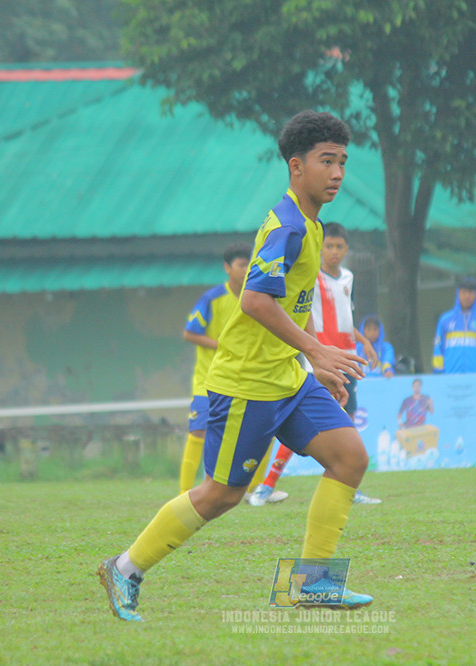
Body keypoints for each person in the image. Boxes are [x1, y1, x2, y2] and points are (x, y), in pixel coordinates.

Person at [98, 110, 373, 622]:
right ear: (296, 166)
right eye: (326, 161)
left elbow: (286, 306)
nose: (337, 173)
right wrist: (316, 350)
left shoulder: (311, 226)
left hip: (288, 379)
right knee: (222, 494)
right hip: (247, 385)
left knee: (349, 458)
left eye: (342, 162)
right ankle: (125, 568)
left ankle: (310, 585)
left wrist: (314, 362)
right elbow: (255, 301)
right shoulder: (288, 226)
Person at [248, 222, 382, 506]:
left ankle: (347, 488)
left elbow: (346, 318)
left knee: (345, 420)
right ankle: (267, 485)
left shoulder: (348, 277)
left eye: (339, 246)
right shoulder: (312, 277)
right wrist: (314, 351)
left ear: (346, 250)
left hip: (348, 357)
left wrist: (364, 340)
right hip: (322, 359)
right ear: (321, 250)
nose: (334, 252)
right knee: (302, 421)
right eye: (329, 246)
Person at [178, 243, 287, 504]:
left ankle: (256, 490)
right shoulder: (212, 299)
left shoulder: (258, 298)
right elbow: (189, 332)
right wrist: (221, 345)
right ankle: (183, 495)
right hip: (208, 379)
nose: (246, 269)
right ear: (227, 268)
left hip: (247, 378)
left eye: (250, 264)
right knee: (199, 432)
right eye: (241, 264)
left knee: (265, 430)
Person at [432, 276, 476, 374]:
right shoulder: (445, 320)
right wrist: (438, 373)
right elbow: (438, 348)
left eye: (471, 293)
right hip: (450, 375)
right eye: (463, 292)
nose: (467, 296)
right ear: (458, 294)